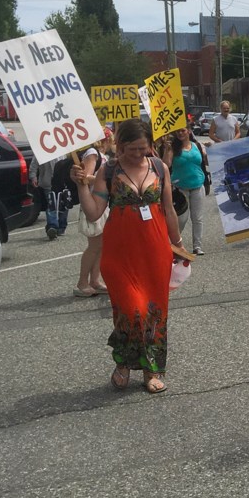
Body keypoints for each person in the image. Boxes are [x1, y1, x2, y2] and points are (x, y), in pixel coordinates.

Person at [72, 119, 183, 394]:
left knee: (154, 314)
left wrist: (179, 245)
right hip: (119, 256)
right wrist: (81, 186)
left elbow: (169, 210)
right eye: (132, 149)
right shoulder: (107, 171)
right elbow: (94, 213)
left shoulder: (160, 167)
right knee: (131, 312)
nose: (137, 154)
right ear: (120, 146)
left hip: (155, 252)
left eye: (143, 148)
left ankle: (151, 371)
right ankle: (123, 363)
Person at [75, 128, 113, 297]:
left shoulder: (101, 154)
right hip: (93, 201)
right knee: (94, 246)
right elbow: (86, 176)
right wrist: (105, 179)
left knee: (102, 245)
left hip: (101, 202)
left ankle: (94, 281)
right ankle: (82, 283)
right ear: (106, 139)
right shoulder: (93, 153)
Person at [161, 127, 208, 255]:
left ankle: (197, 246)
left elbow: (205, 161)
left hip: (198, 185)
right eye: (178, 132)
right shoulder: (173, 148)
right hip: (180, 188)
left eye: (183, 130)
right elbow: (166, 165)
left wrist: (211, 150)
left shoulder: (197, 145)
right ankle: (174, 244)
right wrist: (167, 150)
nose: (180, 133)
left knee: (197, 218)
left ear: (188, 131)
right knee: (181, 219)